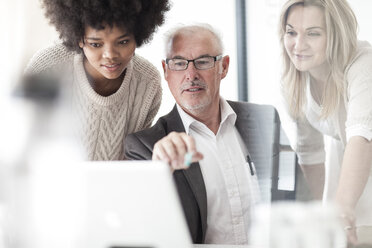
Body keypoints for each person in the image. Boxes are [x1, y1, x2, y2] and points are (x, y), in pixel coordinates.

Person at [124, 24, 264, 244]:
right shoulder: (146, 147)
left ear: (224, 67)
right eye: (179, 63)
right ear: (166, 71)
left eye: (203, 61)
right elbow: (140, 231)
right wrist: (160, 172)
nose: (191, 75)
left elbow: (295, 197)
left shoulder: (262, 120)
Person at [24, 0, 170, 160]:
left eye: (123, 42)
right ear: (79, 38)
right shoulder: (49, 67)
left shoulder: (148, 83)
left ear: (138, 35)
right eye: (96, 44)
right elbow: (23, 145)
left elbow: (133, 161)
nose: (110, 55)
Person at [279, 0, 372, 244]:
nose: (298, 45)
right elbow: (310, 154)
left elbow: (363, 137)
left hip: (362, 161)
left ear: (336, 35)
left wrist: (341, 209)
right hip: (352, 174)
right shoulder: (294, 81)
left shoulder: (364, 65)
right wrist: (314, 219)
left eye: (313, 33)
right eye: (291, 32)